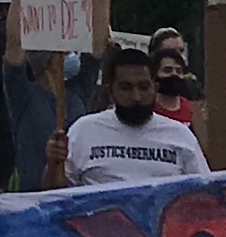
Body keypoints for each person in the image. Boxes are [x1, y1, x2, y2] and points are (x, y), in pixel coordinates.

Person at [64, 45, 211, 185]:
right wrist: (53, 165)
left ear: (155, 88)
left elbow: (204, 193)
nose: (136, 97)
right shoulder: (83, 131)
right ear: (110, 91)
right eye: (126, 88)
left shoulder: (181, 136)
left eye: (144, 87)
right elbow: (55, 195)